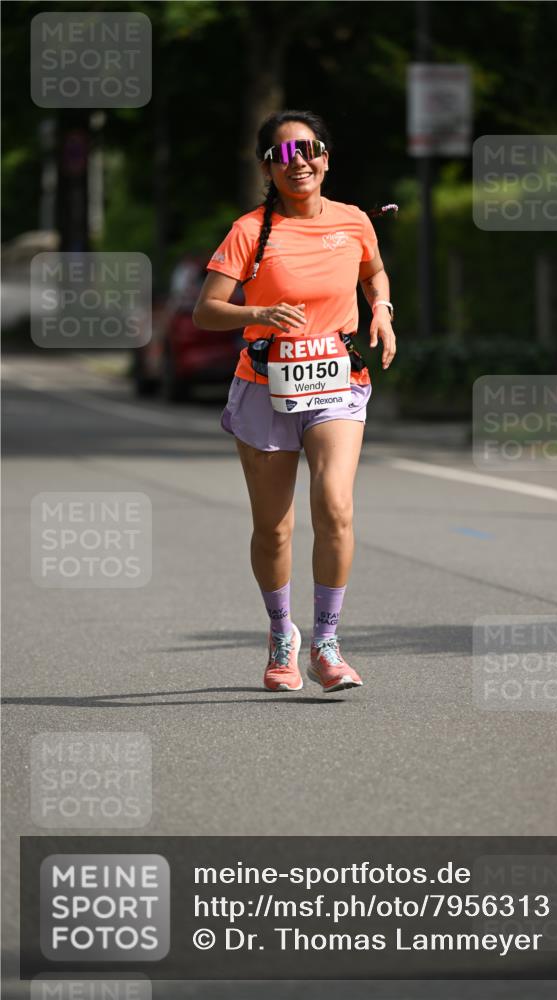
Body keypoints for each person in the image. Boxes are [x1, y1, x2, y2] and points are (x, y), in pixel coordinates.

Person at [193, 109, 396, 694]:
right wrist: (256, 313)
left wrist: (381, 312)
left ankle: (327, 645)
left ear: (326, 157)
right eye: (283, 154)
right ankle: (282, 634)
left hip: (336, 383)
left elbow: (374, 273)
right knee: (274, 529)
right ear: (268, 167)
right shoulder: (249, 231)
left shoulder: (354, 221)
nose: (298, 162)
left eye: (308, 150)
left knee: (334, 507)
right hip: (264, 387)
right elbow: (207, 311)